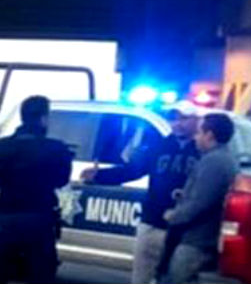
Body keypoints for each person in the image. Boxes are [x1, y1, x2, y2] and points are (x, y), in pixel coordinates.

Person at [81, 103, 201, 284]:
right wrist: (99, 175)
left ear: (196, 121)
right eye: (173, 119)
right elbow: (132, 170)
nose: (177, 123)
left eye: (184, 119)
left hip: (185, 229)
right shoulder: (159, 145)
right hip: (152, 222)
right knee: (141, 277)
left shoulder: (204, 151)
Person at [0, 96, 73, 284]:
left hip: (6, 220)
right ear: (43, 119)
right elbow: (61, 180)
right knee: (41, 275)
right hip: (39, 221)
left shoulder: (0, 148)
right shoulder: (56, 150)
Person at [159, 113, 239, 284]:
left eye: (198, 133)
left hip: (197, 239)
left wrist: (173, 216)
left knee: (179, 276)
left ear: (209, 135)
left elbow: (200, 203)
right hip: (203, 237)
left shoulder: (214, 161)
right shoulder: (224, 159)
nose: (195, 138)